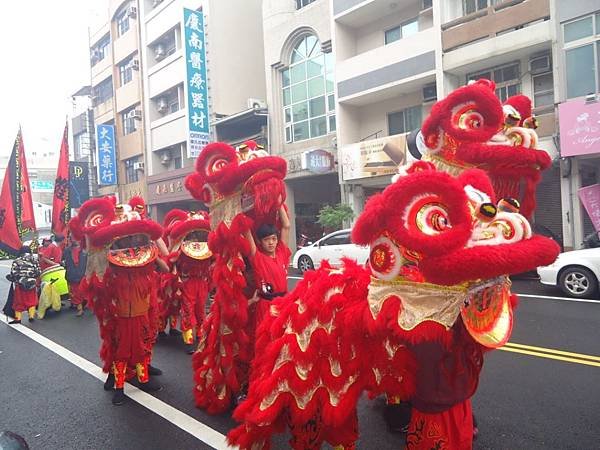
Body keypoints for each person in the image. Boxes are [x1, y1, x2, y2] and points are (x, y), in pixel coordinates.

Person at [5, 245, 40, 324]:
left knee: (19, 302)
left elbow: (13, 273)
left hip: (20, 284)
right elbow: (38, 272)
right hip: (32, 284)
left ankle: (18, 318)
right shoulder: (34, 260)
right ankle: (31, 316)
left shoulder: (17, 261)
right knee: (32, 300)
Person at [63, 237, 88, 316]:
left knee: (85, 292)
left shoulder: (85, 250)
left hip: (83, 274)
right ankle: (80, 309)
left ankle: (88, 305)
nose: (73, 239)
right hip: (72, 275)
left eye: (75, 237)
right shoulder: (67, 250)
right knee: (75, 293)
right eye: (71, 238)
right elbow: (63, 261)